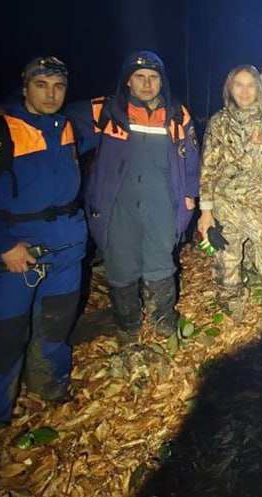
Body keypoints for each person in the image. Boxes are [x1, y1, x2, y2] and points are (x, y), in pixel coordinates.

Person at [0, 56, 87, 451]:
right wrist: (3, 245)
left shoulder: (69, 125)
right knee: (4, 337)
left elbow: (113, 104)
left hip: (66, 248)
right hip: (14, 253)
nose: (51, 94)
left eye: (58, 86)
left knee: (56, 325)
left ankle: (51, 388)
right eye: (41, 85)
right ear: (24, 86)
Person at [83, 51, 200, 345]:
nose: (147, 84)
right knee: (120, 264)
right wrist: (5, 112)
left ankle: (163, 323)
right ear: (128, 82)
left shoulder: (176, 114)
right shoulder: (107, 111)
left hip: (162, 201)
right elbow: (48, 117)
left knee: (161, 259)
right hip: (118, 204)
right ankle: (128, 326)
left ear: (162, 81)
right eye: (139, 77)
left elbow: (191, 160)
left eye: (153, 77)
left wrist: (190, 196)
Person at [198, 65, 262, 318]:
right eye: (238, 84)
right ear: (230, 88)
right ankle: (232, 302)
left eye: (250, 84)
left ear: (259, 88)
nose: (244, 90)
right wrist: (206, 212)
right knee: (227, 257)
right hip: (225, 202)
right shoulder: (219, 122)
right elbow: (208, 168)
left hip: (260, 200)